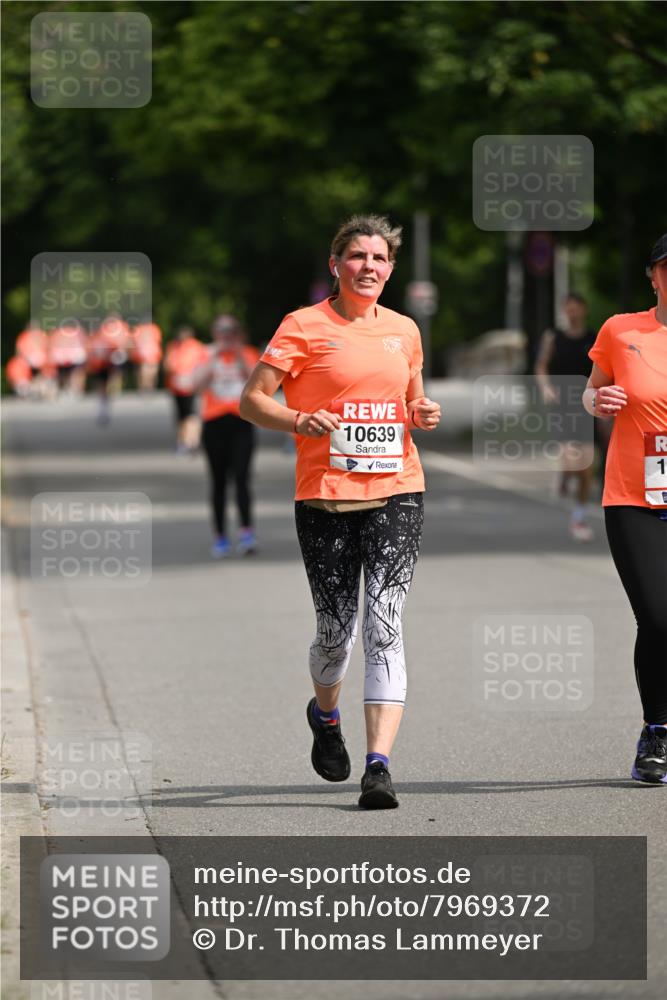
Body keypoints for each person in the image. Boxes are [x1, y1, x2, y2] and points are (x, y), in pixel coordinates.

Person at [240, 214, 441, 810]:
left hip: (398, 489)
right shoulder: (302, 326)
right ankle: (326, 717)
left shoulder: (404, 330)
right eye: (357, 256)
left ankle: (379, 766)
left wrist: (421, 412)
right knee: (336, 633)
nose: (368, 267)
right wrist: (299, 419)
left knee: (384, 621)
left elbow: (412, 400)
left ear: (390, 270)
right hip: (325, 494)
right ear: (336, 265)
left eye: (379, 259)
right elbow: (252, 401)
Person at [582, 233, 667, 784]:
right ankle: (656, 730)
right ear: (653, 275)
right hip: (635, 497)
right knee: (658, 617)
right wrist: (600, 400)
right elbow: (592, 393)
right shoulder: (621, 330)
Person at [195, 315, 260, 557]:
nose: (226, 335)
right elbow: (194, 384)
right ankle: (220, 536)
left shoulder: (248, 353)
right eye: (221, 330)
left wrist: (239, 354)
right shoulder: (206, 354)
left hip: (241, 422)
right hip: (214, 423)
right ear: (214, 332)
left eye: (231, 330)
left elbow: (258, 383)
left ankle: (246, 532)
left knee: (242, 478)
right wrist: (214, 357)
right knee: (218, 481)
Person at [535, 294, 597, 541]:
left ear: (584, 310)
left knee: (587, 468)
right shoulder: (553, 337)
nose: (572, 313)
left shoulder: (593, 338)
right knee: (571, 459)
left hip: (586, 405)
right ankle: (564, 474)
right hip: (561, 405)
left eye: (575, 309)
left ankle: (579, 516)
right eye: (567, 309)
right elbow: (541, 365)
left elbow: (604, 369)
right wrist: (546, 388)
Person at [164, 326, 208, 453]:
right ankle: (183, 440)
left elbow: (203, 366)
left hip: (191, 387)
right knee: (180, 415)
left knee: (191, 415)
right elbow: (167, 365)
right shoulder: (173, 346)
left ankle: (191, 441)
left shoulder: (197, 347)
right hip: (176, 387)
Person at [131, 320, 163, 391]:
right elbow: (135, 342)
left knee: (153, 373)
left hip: (154, 355)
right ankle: (144, 388)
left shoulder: (154, 328)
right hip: (143, 356)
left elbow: (158, 341)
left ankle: (150, 388)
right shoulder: (139, 329)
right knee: (144, 373)